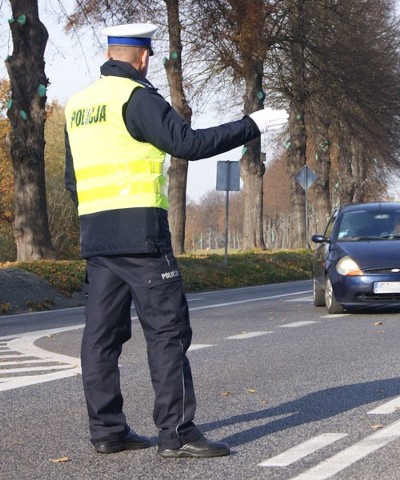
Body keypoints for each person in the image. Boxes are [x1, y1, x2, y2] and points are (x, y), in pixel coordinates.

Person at [64, 23, 288, 458]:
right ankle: (178, 434)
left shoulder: (79, 105)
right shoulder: (137, 97)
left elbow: (72, 180)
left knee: (100, 337)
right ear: (143, 58)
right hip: (142, 239)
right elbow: (188, 143)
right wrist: (250, 125)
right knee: (167, 332)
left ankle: (108, 431)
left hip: (97, 236)